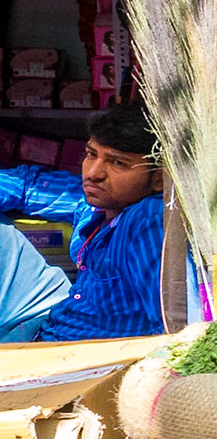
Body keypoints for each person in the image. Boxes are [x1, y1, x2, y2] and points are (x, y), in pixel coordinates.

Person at [0, 102, 166, 341]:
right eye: (91, 155)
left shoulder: (147, 219)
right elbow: (28, 185)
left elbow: (167, 325)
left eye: (117, 162)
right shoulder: (94, 203)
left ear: (158, 179)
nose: (93, 172)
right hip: (52, 324)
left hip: (78, 354)